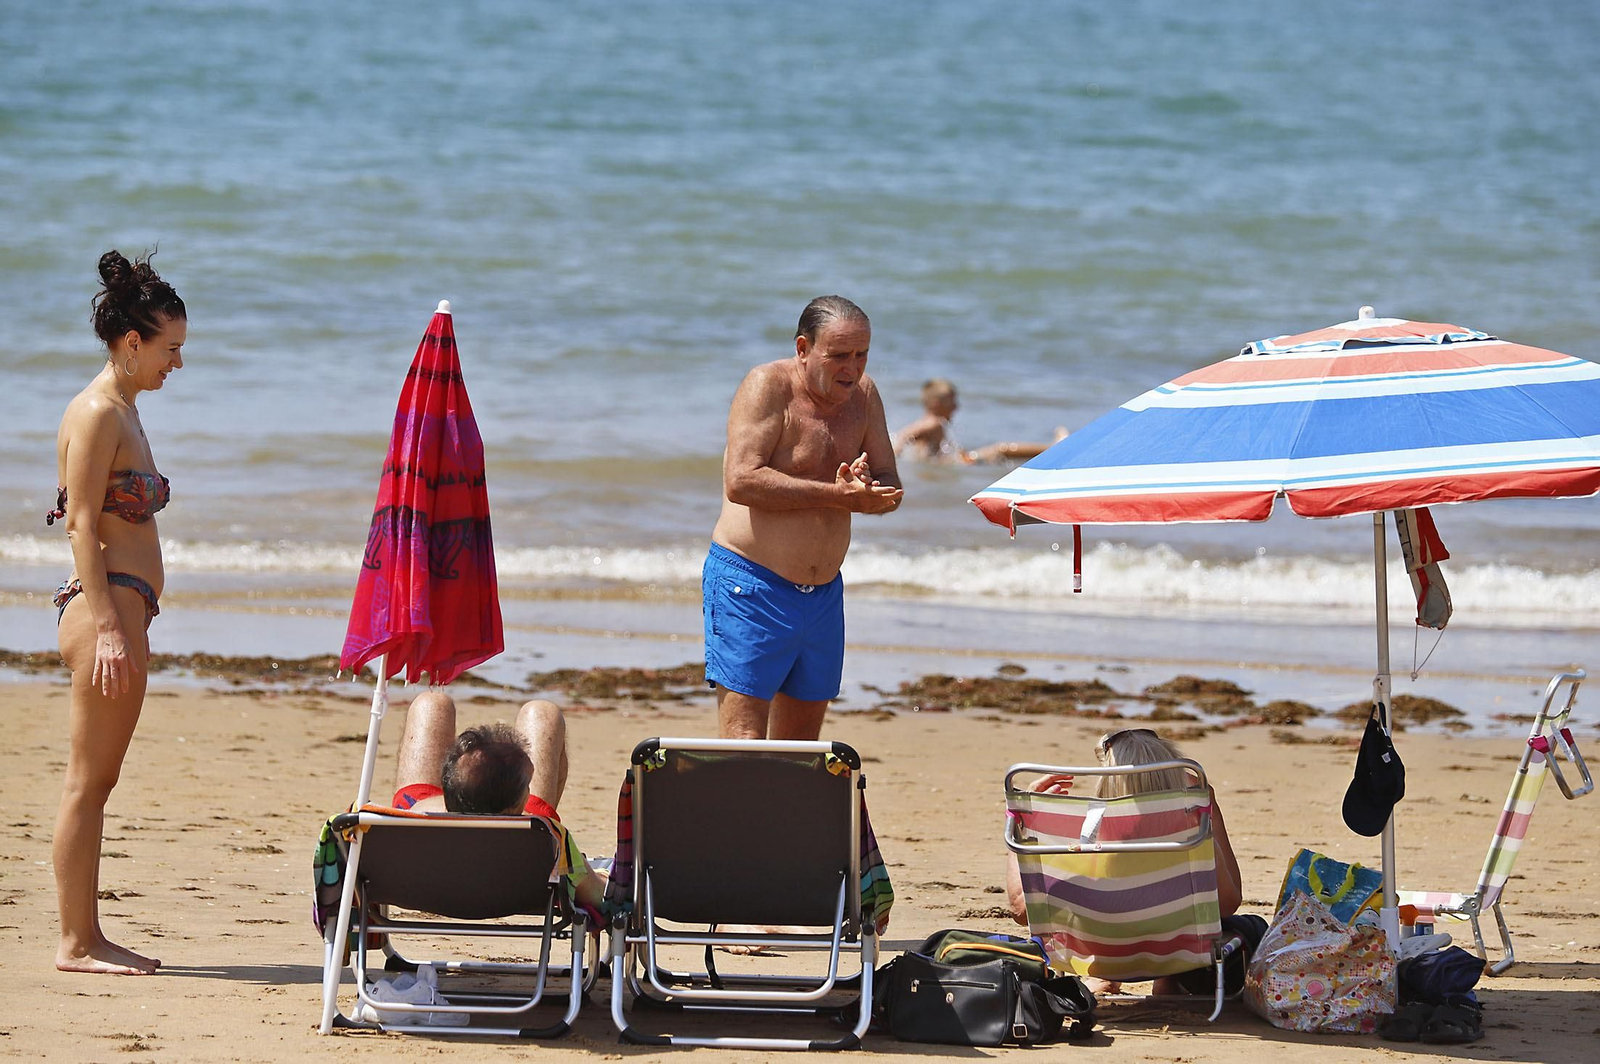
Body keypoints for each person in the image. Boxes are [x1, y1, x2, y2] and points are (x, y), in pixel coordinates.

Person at [49, 250, 186, 975]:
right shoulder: (99, 411)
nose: (177, 364)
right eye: (170, 349)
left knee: (97, 782)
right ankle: (77, 942)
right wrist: (107, 626)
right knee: (87, 781)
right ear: (132, 342)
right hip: (105, 611)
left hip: (126, 609)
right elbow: (78, 523)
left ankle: (86, 936)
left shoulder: (125, 409)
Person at [706, 295, 903, 741]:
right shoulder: (767, 386)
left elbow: (892, 485)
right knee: (746, 744)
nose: (851, 368)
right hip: (751, 585)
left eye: (861, 354)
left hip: (822, 597)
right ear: (803, 348)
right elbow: (742, 481)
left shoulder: (865, 395)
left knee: (800, 749)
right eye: (838, 356)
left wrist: (869, 491)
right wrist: (837, 497)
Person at [1005, 728, 1266, 996]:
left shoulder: (1074, 844)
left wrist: (1019, 823)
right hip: (1177, 957)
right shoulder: (1193, 842)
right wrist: (1210, 810)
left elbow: (1020, 909)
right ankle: (1168, 980)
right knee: (1252, 925)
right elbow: (1228, 904)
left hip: (1097, 957)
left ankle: (1104, 979)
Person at [390, 691, 606, 911]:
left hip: (421, 846)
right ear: (515, 805)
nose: (529, 789)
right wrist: (604, 878)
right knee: (543, 712)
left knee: (432, 701)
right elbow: (597, 896)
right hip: (517, 857)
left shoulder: (385, 826)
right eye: (527, 786)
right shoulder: (550, 837)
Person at [894, 378, 1066, 464]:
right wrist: (894, 453)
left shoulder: (930, 422)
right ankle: (1051, 449)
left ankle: (1048, 451)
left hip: (953, 461)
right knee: (1002, 449)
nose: (956, 407)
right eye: (951, 401)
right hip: (962, 463)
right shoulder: (933, 423)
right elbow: (904, 436)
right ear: (935, 404)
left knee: (1000, 454)